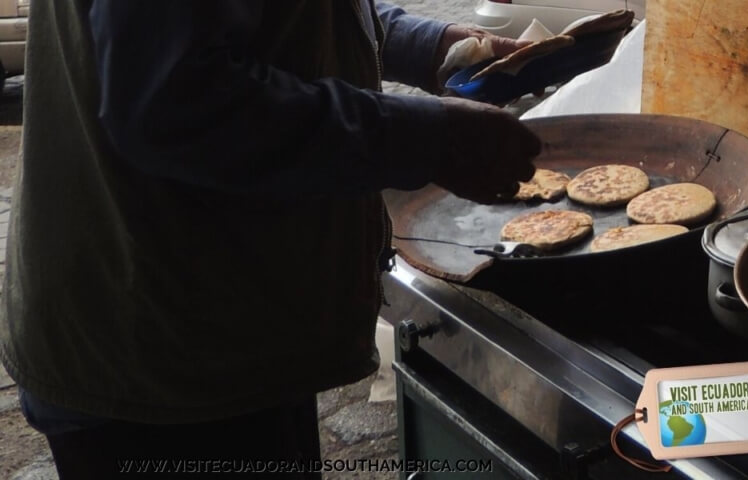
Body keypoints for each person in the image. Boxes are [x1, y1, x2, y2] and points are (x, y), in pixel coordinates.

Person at [0, 1, 540, 478]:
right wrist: (430, 137)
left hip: (218, 323)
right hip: (161, 358)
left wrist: (438, 48)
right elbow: (172, 101)